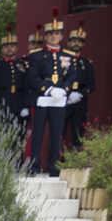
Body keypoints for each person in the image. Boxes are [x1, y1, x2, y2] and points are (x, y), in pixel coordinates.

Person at [25, 13, 70, 176]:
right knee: (37, 133)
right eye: (50, 34)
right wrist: (50, 89)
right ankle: (34, 165)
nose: (53, 36)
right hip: (42, 98)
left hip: (59, 100)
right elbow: (33, 77)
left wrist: (64, 89)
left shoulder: (67, 56)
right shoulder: (36, 55)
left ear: (62, 36)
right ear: (46, 36)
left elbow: (72, 77)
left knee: (57, 134)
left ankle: (54, 166)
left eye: (57, 34)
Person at [62, 26, 95, 152]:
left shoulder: (86, 63)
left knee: (78, 134)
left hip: (80, 103)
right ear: (68, 42)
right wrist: (68, 94)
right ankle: (56, 163)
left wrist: (80, 94)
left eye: (79, 41)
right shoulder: (62, 60)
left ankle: (76, 163)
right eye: (74, 41)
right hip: (63, 100)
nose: (76, 44)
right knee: (59, 133)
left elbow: (91, 85)